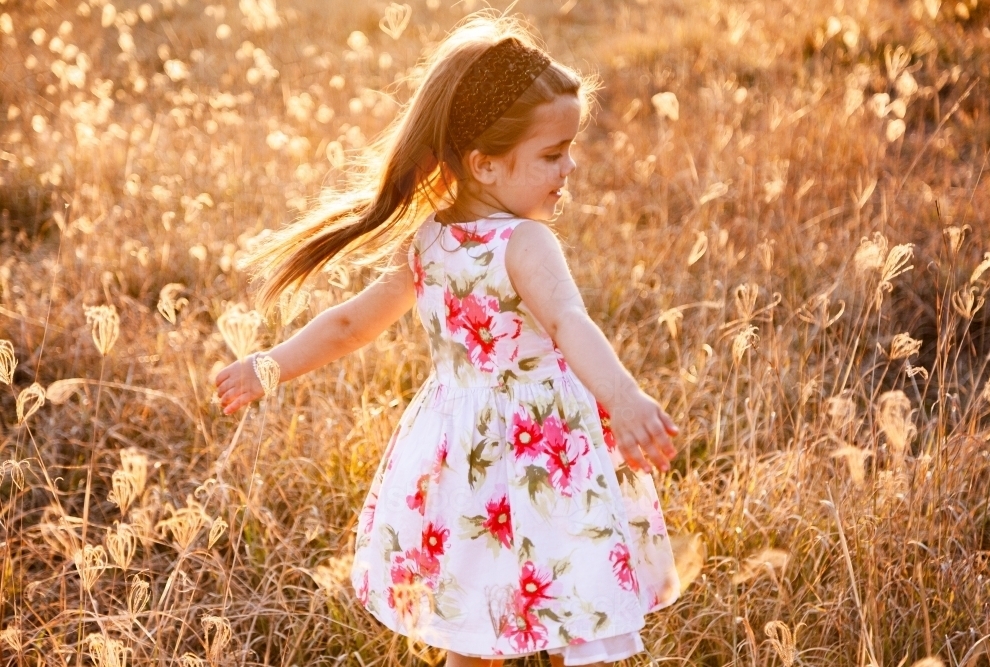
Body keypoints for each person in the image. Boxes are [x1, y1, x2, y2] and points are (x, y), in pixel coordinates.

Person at [213, 13, 682, 666]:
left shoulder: (431, 239)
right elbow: (571, 322)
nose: (570, 167)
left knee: (472, 618)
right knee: (577, 603)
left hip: (463, 455)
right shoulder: (525, 241)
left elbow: (353, 323)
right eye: (553, 154)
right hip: (546, 445)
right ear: (485, 163)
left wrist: (271, 364)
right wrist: (625, 399)